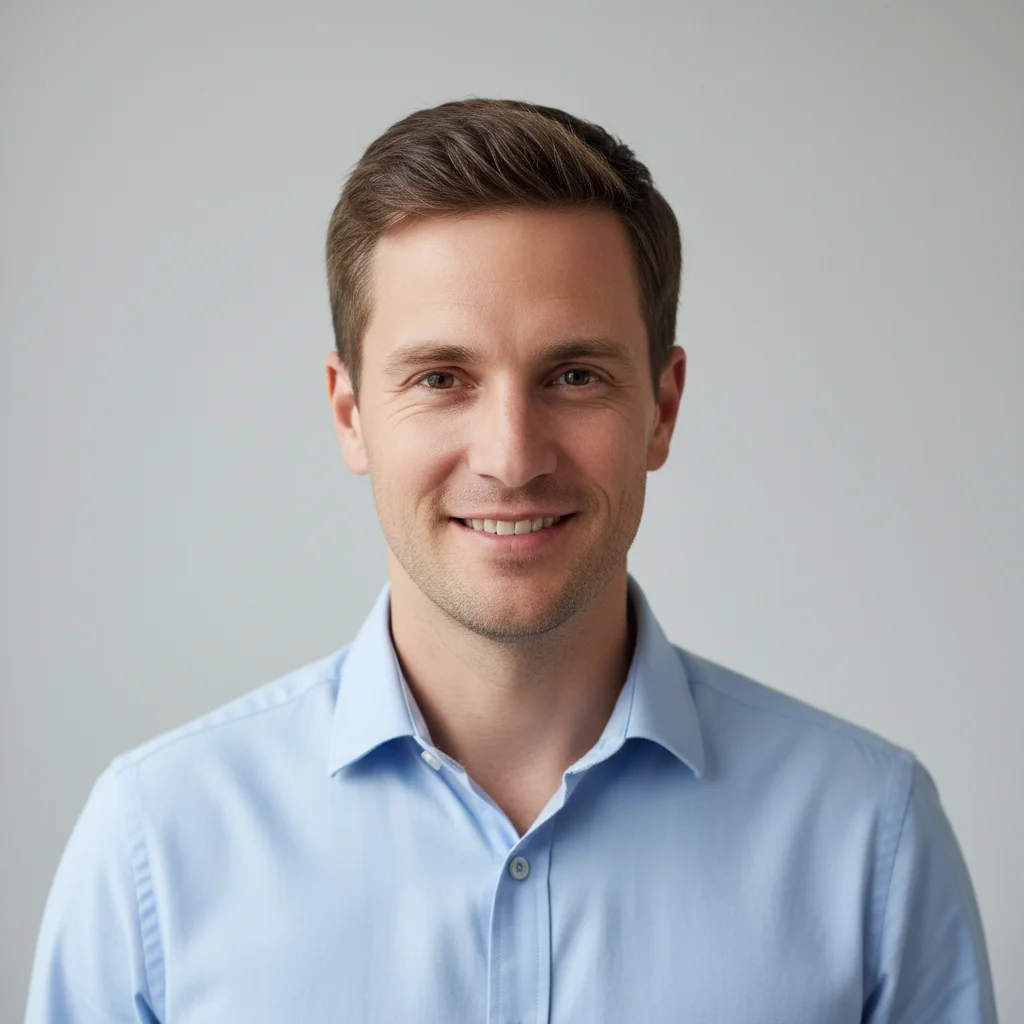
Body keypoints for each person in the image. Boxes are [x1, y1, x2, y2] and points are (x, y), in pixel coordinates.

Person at [25, 98, 997, 1023]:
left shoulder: (869, 838)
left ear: (662, 408)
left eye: (573, 375)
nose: (511, 456)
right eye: (440, 378)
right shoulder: (156, 845)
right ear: (349, 412)